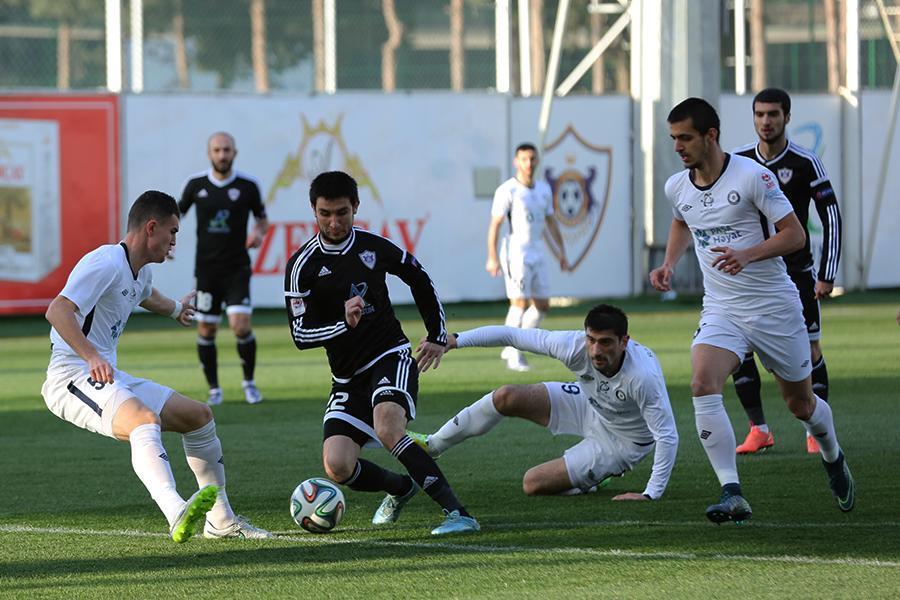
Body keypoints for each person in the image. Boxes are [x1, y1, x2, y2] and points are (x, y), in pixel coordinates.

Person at [649, 97, 855, 524]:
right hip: (722, 307)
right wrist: (669, 263)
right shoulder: (677, 186)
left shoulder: (752, 176)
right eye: (673, 138)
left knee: (801, 404)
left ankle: (833, 455)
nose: (678, 147)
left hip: (774, 306)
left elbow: (795, 235)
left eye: (685, 138)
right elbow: (682, 220)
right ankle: (732, 492)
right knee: (702, 382)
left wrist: (747, 254)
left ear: (710, 135)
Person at [41, 190, 270, 542]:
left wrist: (177, 310)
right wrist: (91, 355)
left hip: (105, 375)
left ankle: (221, 520)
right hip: (71, 377)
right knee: (144, 420)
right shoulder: (105, 262)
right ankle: (175, 511)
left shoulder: (139, 270)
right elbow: (57, 310)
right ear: (151, 228)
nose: (174, 241)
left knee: (199, 417)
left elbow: (145, 294)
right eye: (172, 231)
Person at [283, 171, 479, 536]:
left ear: (356, 207)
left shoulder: (373, 247)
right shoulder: (301, 266)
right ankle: (401, 488)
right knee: (338, 466)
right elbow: (301, 334)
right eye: (325, 213)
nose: (334, 222)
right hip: (346, 378)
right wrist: (343, 323)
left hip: (390, 354)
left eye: (342, 212)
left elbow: (418, 277)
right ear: (313, 210)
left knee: (388, 427)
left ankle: (458, 514)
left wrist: (437, 334)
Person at [409, 304, 678, 500]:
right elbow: (512, 335)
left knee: (533, 483)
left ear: (624, 342)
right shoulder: (572, 345)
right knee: (507, 396)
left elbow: (666, 435)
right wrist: (454, 340)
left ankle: (598, 477)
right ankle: (434, 444)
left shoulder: (642, 376)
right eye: (592, 340)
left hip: (622, 442)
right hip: (589, 403)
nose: (596, 350)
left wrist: (650, 494)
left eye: (606, 342)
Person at [730, 88, 843, 455]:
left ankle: (815, 429)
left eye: (773, 114)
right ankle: (758, 429)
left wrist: (826, 273)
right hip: (750, 274)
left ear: (787, 118)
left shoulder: (806, 162)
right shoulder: (739, 161)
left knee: (809, 349)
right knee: (738, 348)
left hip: (796, 274)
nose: (766, 121)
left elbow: (831, 215)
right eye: (760, 114)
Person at [178, 132, 269, 406]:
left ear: (234, 153)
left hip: (237, 268)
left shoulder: (248, 186)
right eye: (217, 150)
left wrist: (258, 233)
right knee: (206, 330)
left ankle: (249, 383)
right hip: (207, 271)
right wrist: (165, 243)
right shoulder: (195, 185)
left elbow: (262, 219)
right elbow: (175, 215)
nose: (222, 155)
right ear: (209, 154)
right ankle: (214, 390)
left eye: (226, 150)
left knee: (241, 326)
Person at [487, 143, 569, 372]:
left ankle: (515, 343)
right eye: (524, 159)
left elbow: (551, 222)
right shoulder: (507, 190)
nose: (529, 163)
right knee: (519, 303)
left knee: (542, 305)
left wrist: (561, 252)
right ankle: (513, 352)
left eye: (532, 159)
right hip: (516, 252)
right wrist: (492, 256)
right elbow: (495, 224)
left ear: (537, 161)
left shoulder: (543, 189)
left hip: (537, 250)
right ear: (516, 162)